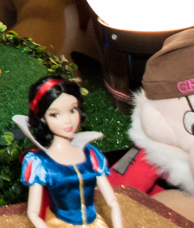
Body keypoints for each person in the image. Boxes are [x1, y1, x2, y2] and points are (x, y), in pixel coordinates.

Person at [16, 77, 123, 228]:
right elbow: (32, 213)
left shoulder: (91, 155)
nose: (68, 121)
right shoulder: (40, 162)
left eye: (73, 110)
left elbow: (112, 202)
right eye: (55, 114)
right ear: (42, 119)